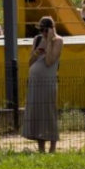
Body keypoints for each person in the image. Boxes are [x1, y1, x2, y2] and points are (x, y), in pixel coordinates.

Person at [23, 16, 63, 153]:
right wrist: (36, 52)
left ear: (52, 29)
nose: (44, 34)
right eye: (42, 30)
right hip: (35, 83)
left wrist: (50, 42)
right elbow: (30, 63)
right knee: (37, 113)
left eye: (46, 30)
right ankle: (41, 148)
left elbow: (49, 61)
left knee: (49, 112)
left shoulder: (58, 41)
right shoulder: (37, 39)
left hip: (48, 82)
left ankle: (52, 148)